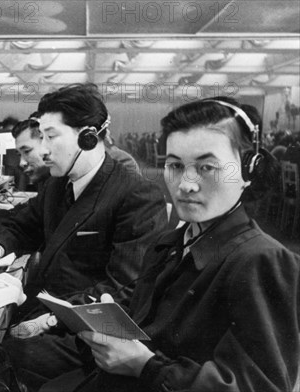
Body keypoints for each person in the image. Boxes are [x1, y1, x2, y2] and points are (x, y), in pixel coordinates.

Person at [43, 97, 299, 392]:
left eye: (206, 168)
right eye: (175, 165)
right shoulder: (174, 242)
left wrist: (145, 366)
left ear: (248, 170)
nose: (185, 185)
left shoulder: (263, 261)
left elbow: (258, 386)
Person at [0, 84, 168, 390]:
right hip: (49, 312)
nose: (44, 149)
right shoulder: (57, 186)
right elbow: (23, 223)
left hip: (89, 334)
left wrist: (52, 319)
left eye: (51, 136)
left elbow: (124, 290)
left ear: (88, 137)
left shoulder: (136, 195)